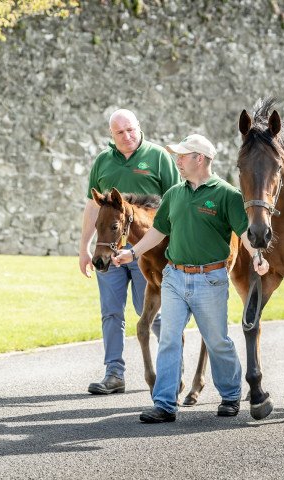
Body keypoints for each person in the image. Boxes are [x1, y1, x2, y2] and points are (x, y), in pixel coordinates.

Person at [112, 133, 269, 423]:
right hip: (174, 277)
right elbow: (157, 231)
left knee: (217, 340)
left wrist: (258, 256)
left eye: (182, 156)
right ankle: (164, 403)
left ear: (199, 158)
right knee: (169, 340)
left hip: (210, 279)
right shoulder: (174, 193)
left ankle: (231, 395)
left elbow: (245, 232)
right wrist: (132, 253)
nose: (178, 161)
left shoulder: (226, 194)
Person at [79, 109, 180, 395]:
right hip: (108, 249)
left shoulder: (157, 157)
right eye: (120, 133)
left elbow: (176, 201)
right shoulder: (103, 161)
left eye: (131, 130)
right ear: (112, 135)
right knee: (111, 312)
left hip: (146, 251)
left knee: (148, 310)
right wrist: (84, 248)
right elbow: (92, 208)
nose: (127, 136)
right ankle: (114, 374)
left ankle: (172, 365)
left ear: (139, 127)